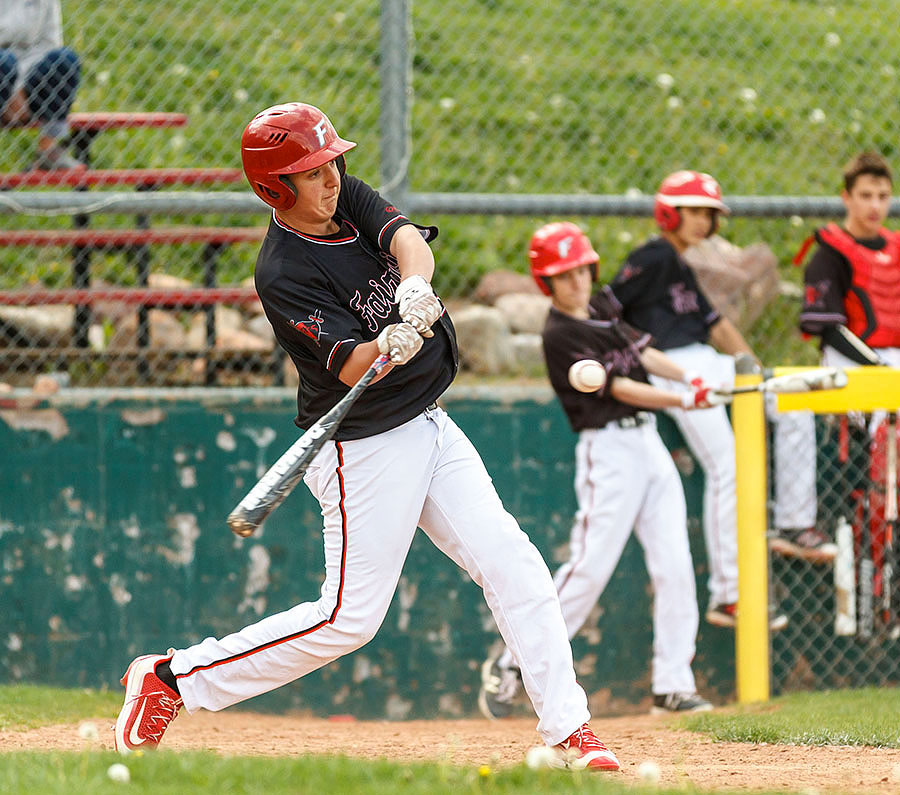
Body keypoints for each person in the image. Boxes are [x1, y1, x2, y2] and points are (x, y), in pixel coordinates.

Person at [112, 102, 620, 772]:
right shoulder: (282, 271)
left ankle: (570, 732)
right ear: (273, 189)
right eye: (310, 173)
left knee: (514, 563)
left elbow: (408, 239)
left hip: (430, 424)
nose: (330, 180)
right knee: (348, 618)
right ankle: (173, 678)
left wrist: (413, 287)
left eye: (331, 165)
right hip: (366, 445)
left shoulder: (342, 195)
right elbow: (352, 365)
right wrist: (389, 343)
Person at [479, 222, 721, 720]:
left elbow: (641, 352)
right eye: (563, 275)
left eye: (581, 271)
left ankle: (673, 684)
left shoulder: (602, 308)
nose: (577, 282)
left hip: (648, 444)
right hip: (608, 453)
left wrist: (693, 377)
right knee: (589, 569)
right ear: (547, 282)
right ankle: (512, 662)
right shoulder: (558, 334)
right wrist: (682, 400)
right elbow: (620, 387)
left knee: (675, 565)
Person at [608, 170, 787, 630]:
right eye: (696, 211)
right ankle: (728, 593)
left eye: (711, 214)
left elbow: (717, 325)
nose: (706, 221)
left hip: (705, 359)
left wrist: (755, 369)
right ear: (669, 213)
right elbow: (605, 308)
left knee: (786, 399)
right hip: (673, 367)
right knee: (726, 465)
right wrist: (635, 356)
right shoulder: (651, 256)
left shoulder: (679, 263)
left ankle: (791, 520)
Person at [774, 151, 900, 558]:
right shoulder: (830, 251)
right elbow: (827, 327)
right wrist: (878, 367)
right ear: (846, 197)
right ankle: (798, 523)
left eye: (882, 195)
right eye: (865, 195)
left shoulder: (897, 248)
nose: (875, 205)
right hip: (854, 361)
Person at [0, 0, 82, 171]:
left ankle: (48, 151)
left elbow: (49, 45)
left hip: (26, 87)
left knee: (65, 59)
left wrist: (18, 90)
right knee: (5, 62)